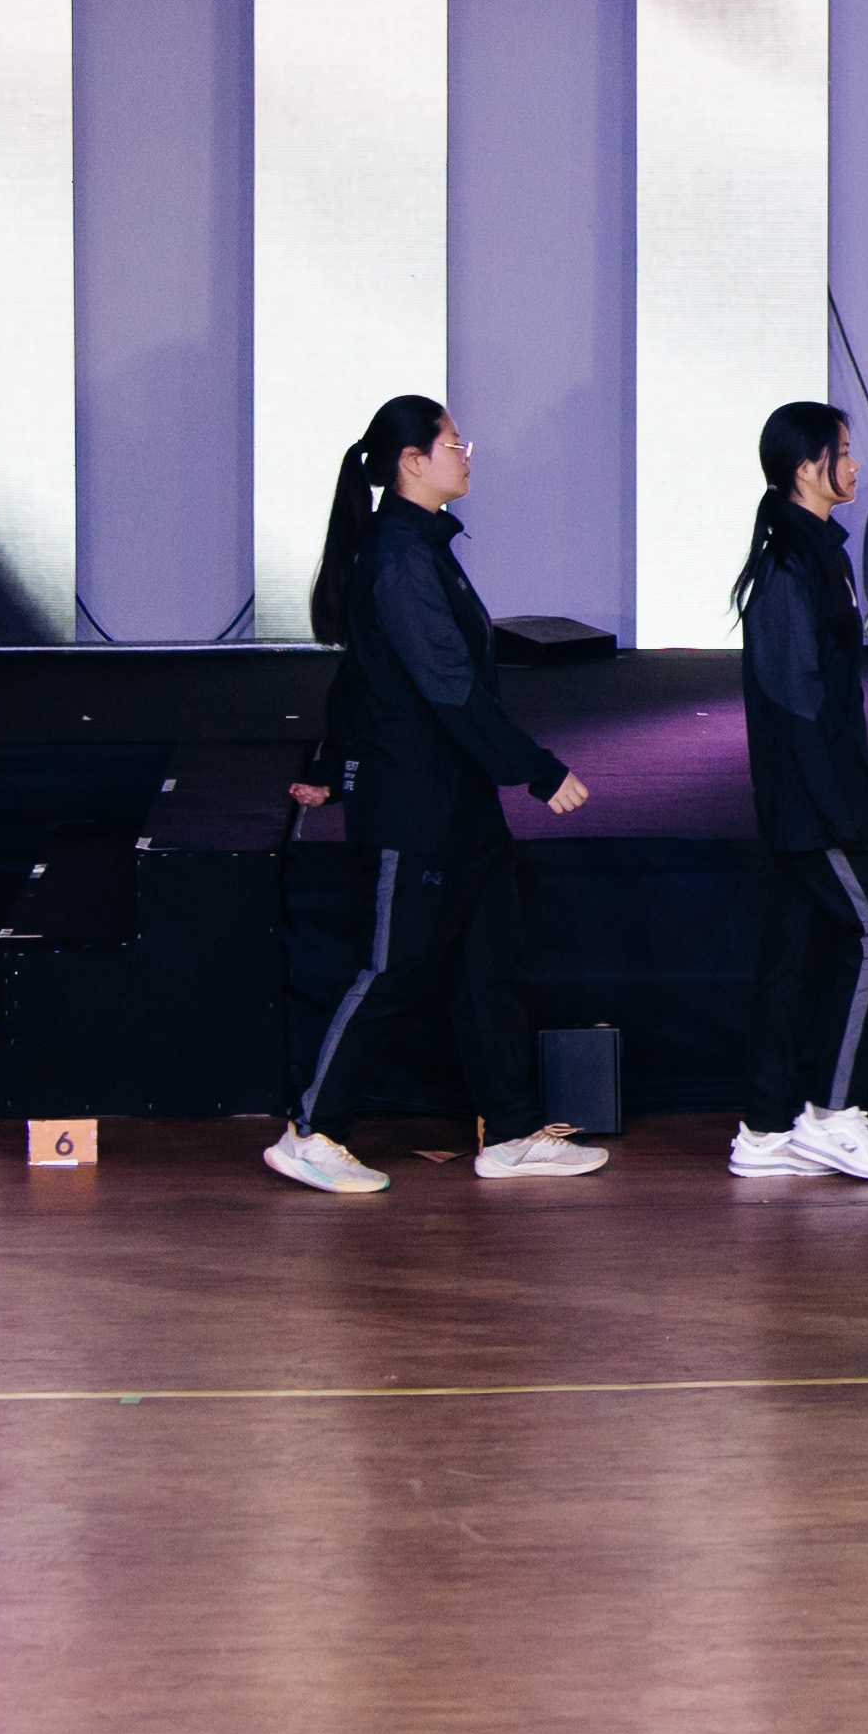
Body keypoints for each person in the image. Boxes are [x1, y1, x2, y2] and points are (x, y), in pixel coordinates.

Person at [269, 396, 601, 1194]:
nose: (466, 455)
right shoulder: (397, 556)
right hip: (413, 805)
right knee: (392, 970)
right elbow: (446, 685)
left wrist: (330, 762)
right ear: (411, 461)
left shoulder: (423, 547)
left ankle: (512, 1133)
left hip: (459, 800)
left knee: (488, 969)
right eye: (454, 443)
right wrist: (536, 769)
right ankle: (311, 1132)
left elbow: (365, 675)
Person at [727, 399, 868, 1186]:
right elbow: (795, 708)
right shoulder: (788, 567)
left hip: (821, 800)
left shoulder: (821, 553)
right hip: (814, 807)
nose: (855, 464)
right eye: (842, 450)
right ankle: (834, 1116)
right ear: (807, 468)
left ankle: (765, 1131)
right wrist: (844, 813)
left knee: (792, 959)